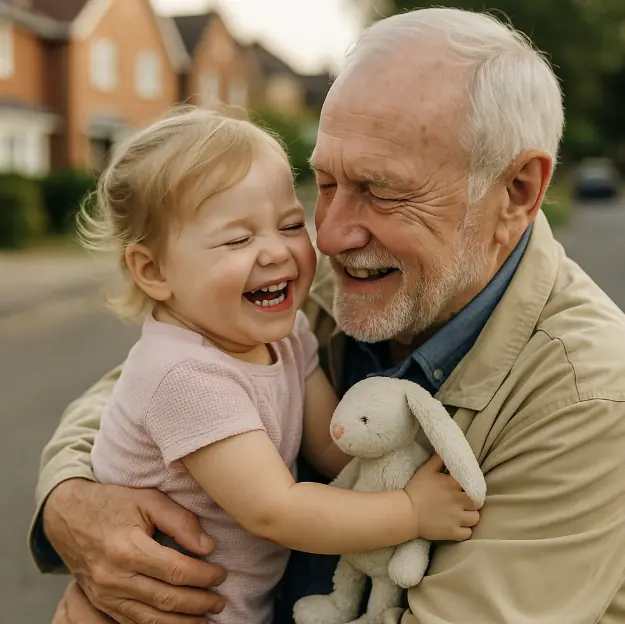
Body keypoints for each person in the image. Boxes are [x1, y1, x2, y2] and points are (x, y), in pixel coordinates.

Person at [34, 7, 625, 624]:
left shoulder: (586, 397)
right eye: (324, 183)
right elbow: (132, 392)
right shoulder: (291, 281)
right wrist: (69, 501)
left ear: (517, 191)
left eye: (380, 188)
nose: (331, 236)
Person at [61, 106, 479, 624]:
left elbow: (331, 443)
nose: (276, 252)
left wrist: (404, 468)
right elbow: (275, 510)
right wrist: (411, 511)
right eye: (238, 239)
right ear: (153, 270)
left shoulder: (286, 335)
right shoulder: (185, 376)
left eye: (288, 224)